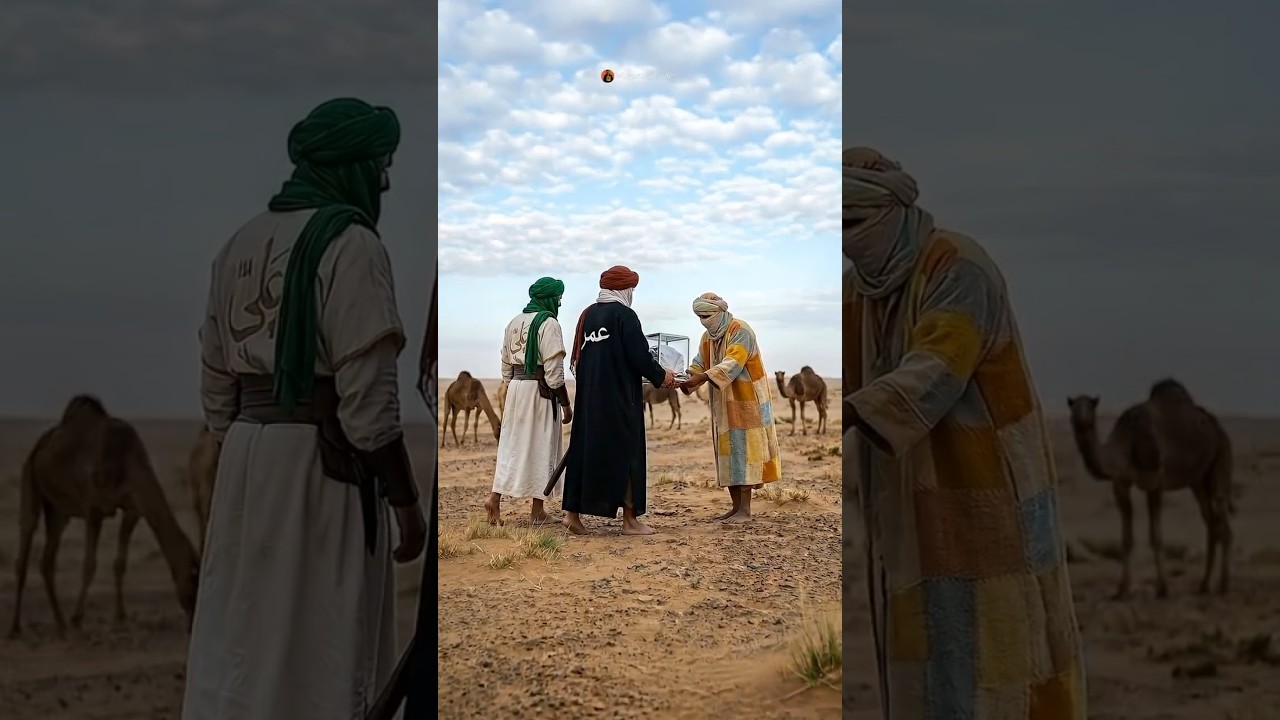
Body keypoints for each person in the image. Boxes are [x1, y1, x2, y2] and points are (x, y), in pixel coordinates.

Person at [183, 98, 427, 720]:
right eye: (380, 164)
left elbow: (216, 386)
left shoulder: (238, 243)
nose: (386, 180)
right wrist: (405, 502)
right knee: (316, 642)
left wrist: (242, 443)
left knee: (242, 632)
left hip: (244, 459)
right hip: (321, 474)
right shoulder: (353, 247)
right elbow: (369, 402)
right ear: (350, 166)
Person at [842, 147, 1086, 719]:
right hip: (904, 507)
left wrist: (855, 411)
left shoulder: (959, 268)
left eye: (855, 224)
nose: (849, 241)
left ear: (894, 209)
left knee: (1009, 651)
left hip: (990, 496)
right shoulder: (860, 291)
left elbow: (938, 366)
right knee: (923, 661)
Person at [561, 265, 675, 535]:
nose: (632, 294)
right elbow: (639, 356)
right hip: (621, 400)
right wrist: (663, 376)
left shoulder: (588, 315)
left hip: (589, 400)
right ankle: (630, 521)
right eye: (632, 289)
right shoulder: (625, 315)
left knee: (584, 450)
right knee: (628, 454)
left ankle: (572, 514)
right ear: (625, 289)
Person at [679, 293, 782, 523]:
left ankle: (745, 510)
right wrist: (685, 376)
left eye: (706, 315)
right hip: (723, 404)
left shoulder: (740, 330)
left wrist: (701, 377)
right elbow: (700, 362)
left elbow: (733, 363)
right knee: (727, 455)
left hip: (748, 400)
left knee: (745, 453)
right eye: (699, 317)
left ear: (719, 312)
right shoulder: (708, 337)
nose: (703, 321)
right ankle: (736, 508)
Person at [485, 276, 573, 526]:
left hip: (516, 390)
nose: (560, 302)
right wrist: (566, 405)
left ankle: (498, 500)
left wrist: (513, 387)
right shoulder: (549, 324)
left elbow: (505, 364)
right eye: (558, 298)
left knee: (511, 447)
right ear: (549, 298)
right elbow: (554, 372)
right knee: (540, 446)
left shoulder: (513, 322)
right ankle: (536, 511)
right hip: (539, 393)